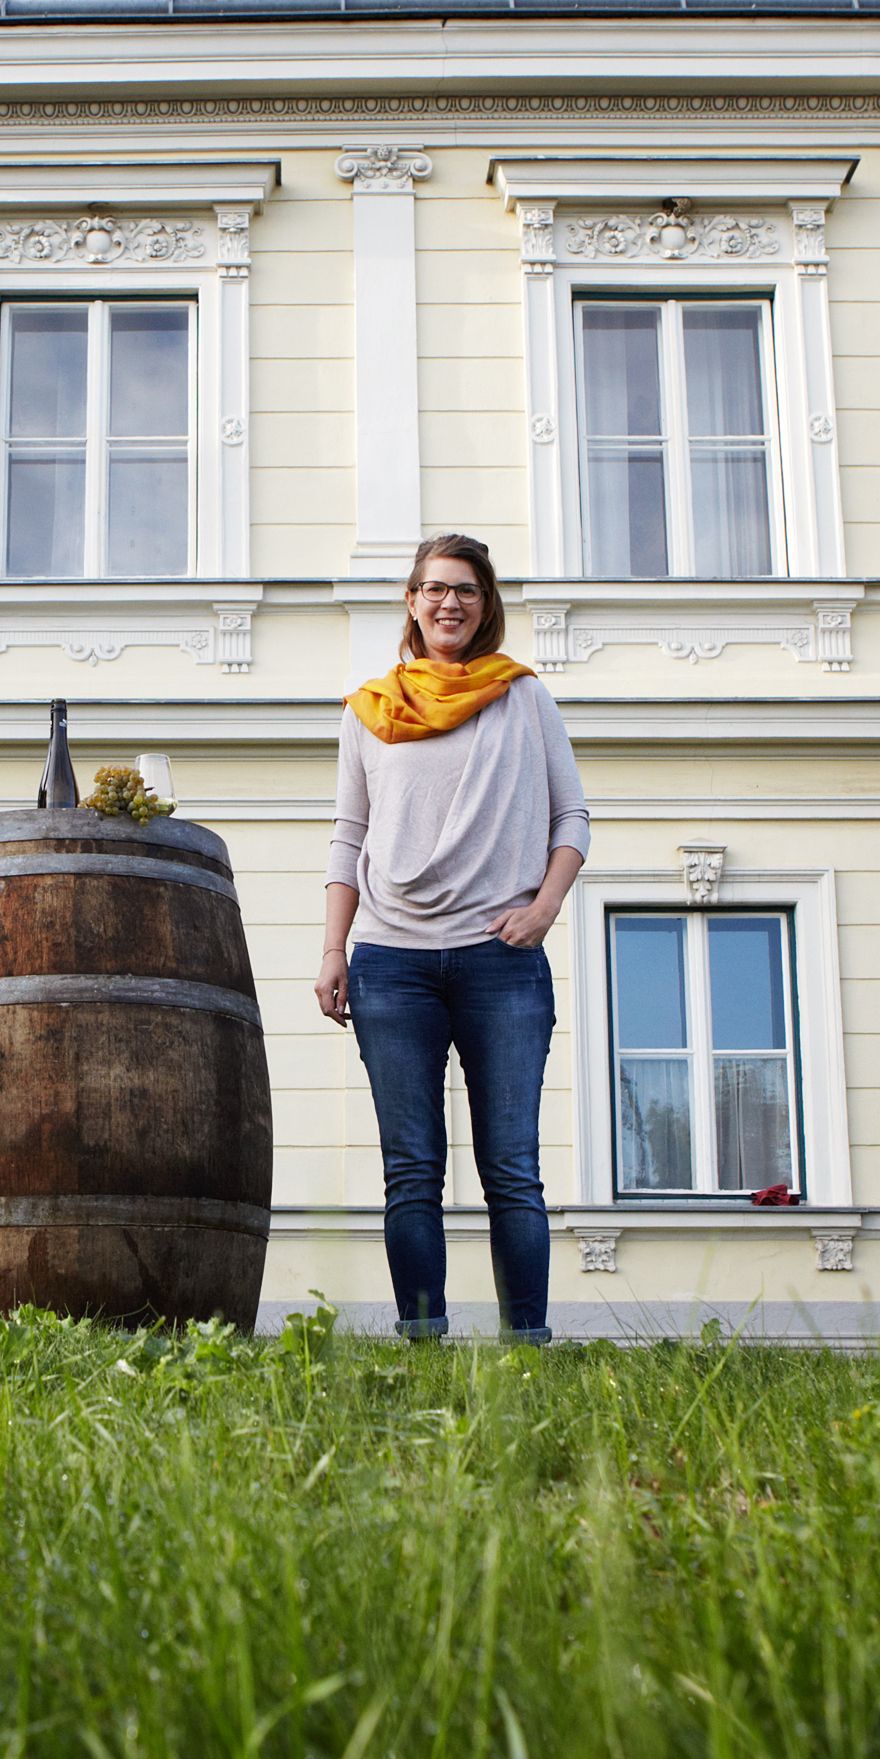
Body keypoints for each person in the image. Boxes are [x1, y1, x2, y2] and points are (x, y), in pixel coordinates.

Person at [317, 533, 589, 1344]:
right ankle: (424, 1344)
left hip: (499, 963)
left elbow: (569, 816)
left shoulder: (522, 697)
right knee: (410, 1174)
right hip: (389, 963)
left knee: (511, 1171)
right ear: (410, 601)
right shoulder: (368, 710)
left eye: (466, 590)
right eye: (434, 589)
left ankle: (526, 1346)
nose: (449, 603)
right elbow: (346, 834)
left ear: (485, 604)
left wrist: (541, 910)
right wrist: (333, 949)